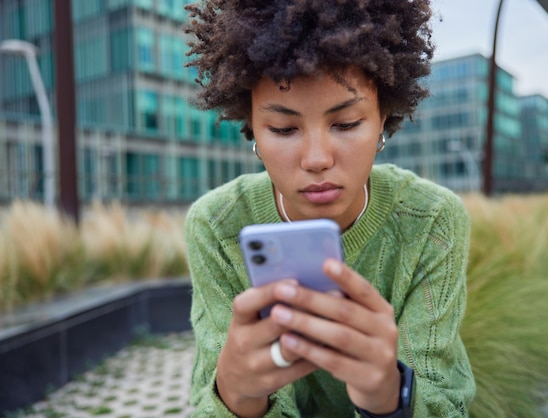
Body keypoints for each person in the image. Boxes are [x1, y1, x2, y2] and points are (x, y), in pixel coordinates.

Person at [183, 1, 475, 417]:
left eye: (347, 123)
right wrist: (237, 394)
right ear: (251, 129)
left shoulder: (432, 220)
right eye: (283, 129)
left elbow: (444, 402)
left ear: (382, 120)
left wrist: (389, 396)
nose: (317, 158)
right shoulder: (217, 226)